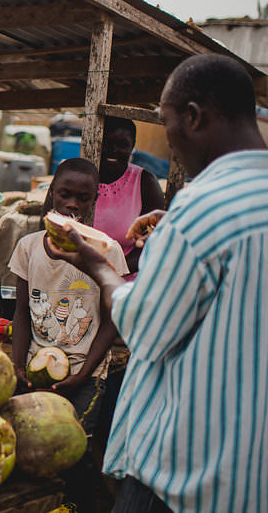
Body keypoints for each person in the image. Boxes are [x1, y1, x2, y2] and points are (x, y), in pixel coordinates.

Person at [45, 54, 268, 513]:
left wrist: (99, 263)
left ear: (193, 117)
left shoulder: (203, 207)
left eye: (166, 124)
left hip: (187, 475)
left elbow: (145, 325)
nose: (168, 140)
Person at [10, 157, 128, 513]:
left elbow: (112, 321)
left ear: (94, 200)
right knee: (32, 450)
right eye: (65, 194)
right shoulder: (28, 247)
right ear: (51, 195)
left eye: (83, 197)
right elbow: (20, 312)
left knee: (75, 454)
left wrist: (85, 372)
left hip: (86, 375)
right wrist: (17, 364)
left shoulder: (108, 251)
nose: (73, 204)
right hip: (35, 371)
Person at [94, 116, 165, 273]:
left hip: (125, 275)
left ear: (133, 146)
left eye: (122, 145)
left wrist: (111, 272)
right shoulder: (78, 174)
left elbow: (153, 243)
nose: (113, 150)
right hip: (73, 274)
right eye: (106, 143)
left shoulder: (145, 182)